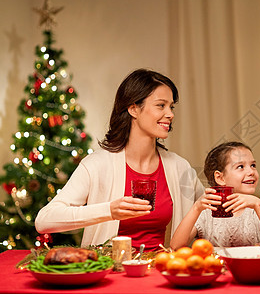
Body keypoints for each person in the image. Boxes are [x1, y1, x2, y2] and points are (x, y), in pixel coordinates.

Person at [35, 69, 204, 251]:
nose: (170, 114)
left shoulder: (178, 167)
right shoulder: (97, 164)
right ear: (133, 109)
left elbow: (209, 214)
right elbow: (45, 220)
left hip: (163, 270)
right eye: (161, 106)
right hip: (109, 272)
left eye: (171, 107)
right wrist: (109, 211)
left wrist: (238, 195)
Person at [170, 141, 260, 249]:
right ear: (220, 178)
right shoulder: (207, 212)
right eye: (240, 167)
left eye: (253, 165)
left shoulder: (259, 209)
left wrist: (257, 204)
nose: (251, 172)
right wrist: (196, 207)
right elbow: (176, 246)